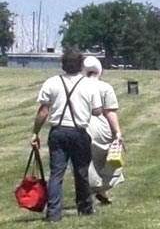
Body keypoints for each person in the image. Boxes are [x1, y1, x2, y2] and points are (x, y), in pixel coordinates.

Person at [30, 46, 102, 222]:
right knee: (81, 171)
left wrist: (35, 133)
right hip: (79, 132)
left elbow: (43, 111)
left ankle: (54, 212)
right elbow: (98, 111)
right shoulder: (89, 85)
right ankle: (85, 207)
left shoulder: (52, 82)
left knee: (56, 173)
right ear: (80, 65)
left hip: (58, 131)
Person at [83, 56, 125, 205]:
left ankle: (98, 192)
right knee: (106, 162)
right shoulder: (105, 87)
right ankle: (99, 189)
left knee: (87, 162)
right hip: (101, 127)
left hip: (81, 126)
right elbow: (110, 112)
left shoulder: (78, 85)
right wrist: (117, 132)